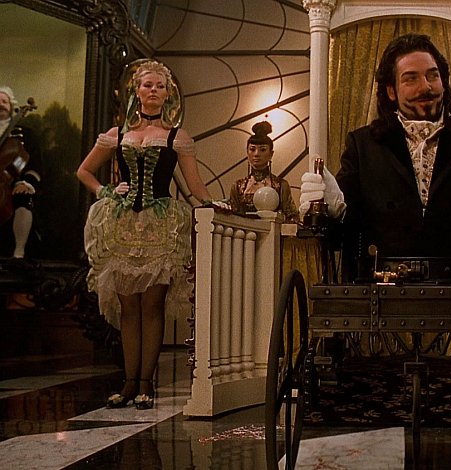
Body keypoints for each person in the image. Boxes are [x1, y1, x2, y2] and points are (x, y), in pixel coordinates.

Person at [299, 33, 451, 283]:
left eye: (432, 76)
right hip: (379, 293)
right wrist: (330, 208)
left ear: (444, 82)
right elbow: (343, 234)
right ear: (391, 91)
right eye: (411, 78)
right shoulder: (363, 146)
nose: (426, 86)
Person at [76, 60, 224, 410]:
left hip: (161, 225)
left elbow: (194, 186)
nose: (153, 90)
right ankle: (129, 383)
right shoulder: (117, 134)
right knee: (129, 308)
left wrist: (215, 205)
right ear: (136, 91)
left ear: (168, 93)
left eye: (159, 86)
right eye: (147, 85)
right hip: (123, 224)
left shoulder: (177, 137)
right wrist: (106, 191)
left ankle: (146, 383)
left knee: (152, 305)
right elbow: (84, 171)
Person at [0, 86, 41, 261]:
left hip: (12, 182)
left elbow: (32, 163)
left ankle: (19, 251)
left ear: (12, 106)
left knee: (22, 199)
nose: (0, 105)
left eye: (4, 101)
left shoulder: (25, 135)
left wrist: (26, 182)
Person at [229, 121, 299, 221]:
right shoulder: (238, 186)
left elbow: (291, 217)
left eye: (262, 150)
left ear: (271, 154)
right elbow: (232, 217)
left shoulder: (281, 186)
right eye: (252, 149)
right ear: (247, 152)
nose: (256, 154)